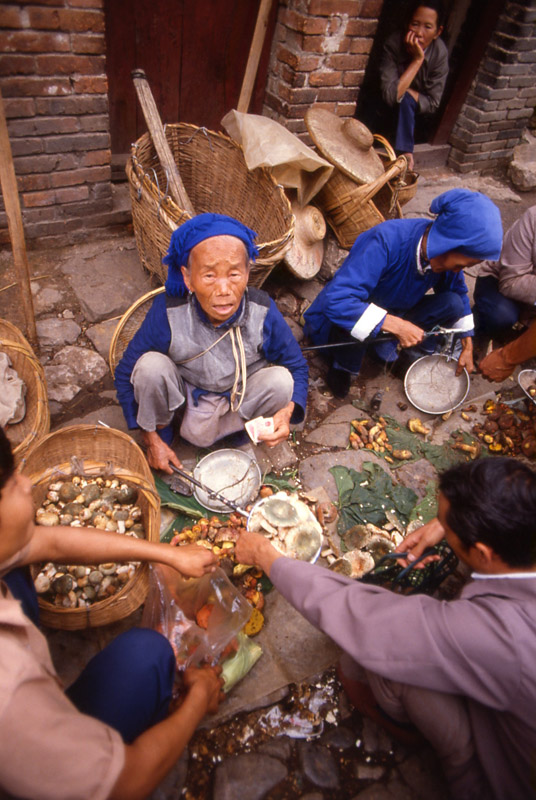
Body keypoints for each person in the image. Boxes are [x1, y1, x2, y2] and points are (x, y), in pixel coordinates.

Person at [235, 457, 536, 800]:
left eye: (450, 531)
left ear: (483, 552)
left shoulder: (498, 635)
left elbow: (365, 619)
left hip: (504, 782)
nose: (442, 530)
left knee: (371, 663)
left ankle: (416, 733)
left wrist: (267, 558)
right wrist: (444, 525)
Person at [0, 427, 224, 800]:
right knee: (150, 662)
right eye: (9, 483)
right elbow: (127, 783)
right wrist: (199, 697)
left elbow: (50, 540)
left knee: (146, 652)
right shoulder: (9, 688)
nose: (26, 484)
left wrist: (166, 553)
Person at [115, 213, 308, 474]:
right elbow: (125, 371)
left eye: (234, 274)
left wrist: (286, 412)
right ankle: (165, 430)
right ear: (187, 278)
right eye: (209, 276)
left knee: (283, 381)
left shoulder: (261, 311)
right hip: (189, 400)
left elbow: (297, 366)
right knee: (149, 367)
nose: (224, 289)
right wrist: (149, 439)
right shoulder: (168, 313)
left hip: (238, 395)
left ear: (248, 273)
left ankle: (235, 430)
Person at [303, 188, 502, 398]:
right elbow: (338, 301)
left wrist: (466, 343)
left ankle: (389, 346)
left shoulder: (443, 258)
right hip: (345, 318)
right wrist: (397, 326)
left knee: (452, 302)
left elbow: (458, 292)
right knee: (353, 328)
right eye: (463, 264)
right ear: (446, 244)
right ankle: (343, 366)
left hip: (394, 309)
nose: (460, 270)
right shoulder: (385, 242)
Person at [379, 1, 448, 169]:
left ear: (438, 32)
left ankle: (405, 154)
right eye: (415, 24)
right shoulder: (394, 44)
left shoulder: (439, 54)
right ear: (407, 24)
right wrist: (417, 60)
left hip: (417, 117)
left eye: (428, 27)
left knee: (407, 99)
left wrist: (408, 93)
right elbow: (391, 97)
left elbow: (433, 103)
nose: (419, 33)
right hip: (384, 108)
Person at [474, 205, 536, 345]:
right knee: (501, 316)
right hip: (502, 281)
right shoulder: (533, 217)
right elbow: (511, 283)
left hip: (532, 297)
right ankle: (479, 329)